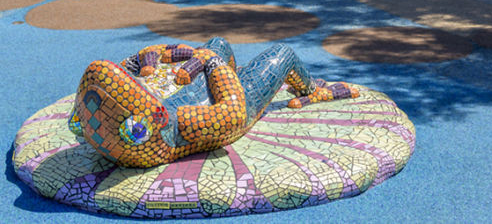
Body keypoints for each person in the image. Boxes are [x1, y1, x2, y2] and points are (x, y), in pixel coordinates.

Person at [69, 37, 359, 168]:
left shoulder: (91, 125)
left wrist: (139, 60)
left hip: (198, 87)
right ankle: (313, 89)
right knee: (283, 53)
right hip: (231, 94)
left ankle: (224, 63)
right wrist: (215, 65)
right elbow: (233, 114)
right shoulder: (176, 126)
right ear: (146, 124)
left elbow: (87, 111)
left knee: (219, 41)